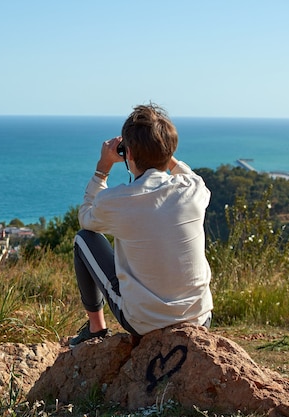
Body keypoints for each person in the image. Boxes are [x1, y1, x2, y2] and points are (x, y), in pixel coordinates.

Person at [69, 103, 213, 347]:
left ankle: (95, 328)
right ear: (169, 151)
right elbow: (184, 172)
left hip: (143, 322)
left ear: (129, 153)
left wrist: (102, 169)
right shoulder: (193, 189)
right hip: (200, 318)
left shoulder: (117, 200)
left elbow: (86, 217)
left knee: (84, 238)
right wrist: (161, 150)